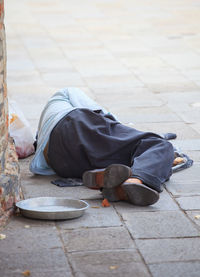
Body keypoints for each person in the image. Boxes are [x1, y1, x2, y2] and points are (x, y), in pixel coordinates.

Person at [30, 87, 175, 206]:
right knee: (160, 146)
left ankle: (119, 188)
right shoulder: (67, 92)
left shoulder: (47, 123)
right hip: (76, 128)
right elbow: (107, 117)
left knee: (146, 162)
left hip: (61, 163)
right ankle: (134, 180)